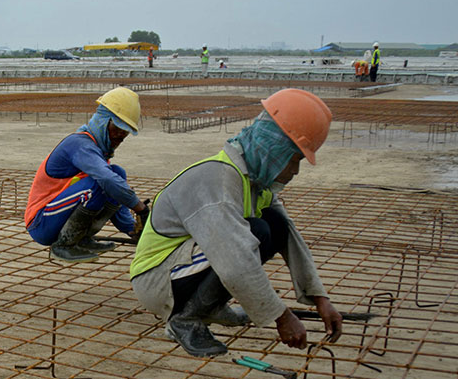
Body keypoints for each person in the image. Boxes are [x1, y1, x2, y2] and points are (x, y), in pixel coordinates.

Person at [128, 88, 343, 357]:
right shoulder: (217, 181)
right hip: (156, 280)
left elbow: (289, 237)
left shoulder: (254, 182)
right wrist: (281, 316)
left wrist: (321, 299)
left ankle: (210, 308)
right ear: (273, 148)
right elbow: (235, 264)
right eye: (294, 159)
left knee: (273, 224)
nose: (294, 172)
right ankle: (184, 321)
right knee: (254, 233)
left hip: (181, 269)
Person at [24, 87, 150, 263]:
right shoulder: (80, 144)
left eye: (125, 133)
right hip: (41, 223)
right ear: (102, 121)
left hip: (54, 219)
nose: (120, 137)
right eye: (117, 129)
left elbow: (114, 186)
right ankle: (64, 245)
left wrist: (132, 229)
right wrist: (140, 208)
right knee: (102, 182)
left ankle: (81, 238)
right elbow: (107, 181)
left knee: (117, 174)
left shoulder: (98, 153)